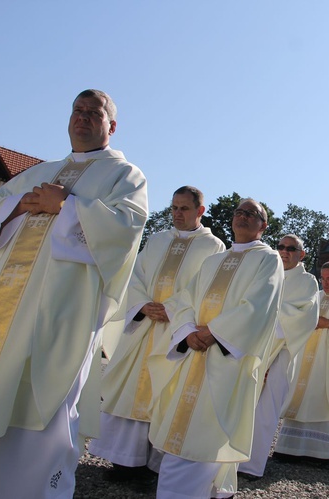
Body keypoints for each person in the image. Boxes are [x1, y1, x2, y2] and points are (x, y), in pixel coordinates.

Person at [0, 89, 148, 498]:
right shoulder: (40, 170)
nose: (82, 118)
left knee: (44, 395)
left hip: (62, 310)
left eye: (93, 113)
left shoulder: (124, 176)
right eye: (77, 110)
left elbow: (124, 231)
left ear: (111, 126)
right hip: (4, 308)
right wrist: (18, 207)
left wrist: (68, 206)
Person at [148, 198, 283, 499]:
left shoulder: (268, 260)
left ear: (264, 225)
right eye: (239, 212)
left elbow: (258, 307)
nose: (243, 217)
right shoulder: (213, 261)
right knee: (183, 430)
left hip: (226, 361)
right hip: (194, 355)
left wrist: (214, 332)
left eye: (252, 214)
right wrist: (186, 332)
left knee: (206, 433)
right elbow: (185, 300)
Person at [88, 186, 225, 484]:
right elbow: (134, 275)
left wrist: (173, 308)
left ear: (200, 211)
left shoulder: (213, 247)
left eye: (184, 208)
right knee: (127, 390)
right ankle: (124, 462)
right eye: (174, 207)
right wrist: (142, 304)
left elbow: (205, 288)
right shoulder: (157, 239)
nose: (177, 213)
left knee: (165, 393)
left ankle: (154, 468)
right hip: (144, 326)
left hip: (174, 332)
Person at [238, 234, 319, 479]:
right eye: (281, 247)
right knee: (241, 405)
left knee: (265, 410)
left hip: (281, 351)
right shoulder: (267, 271)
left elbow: (306, 318)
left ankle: (251, 466)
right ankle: (231, 456)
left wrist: (269, 310)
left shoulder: (307, 282)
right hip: (253, 347)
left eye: (291, 248)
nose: (284, 252)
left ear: (301, 254)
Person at [272, 261, 329, 466]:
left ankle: (322, 453)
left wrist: (328, 323)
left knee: (323, 397)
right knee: (300, 396)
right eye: (322, 278)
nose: (325, 283)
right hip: (305, 356)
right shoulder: (318, 296)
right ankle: (289, 448)